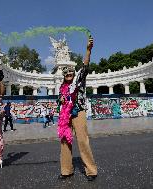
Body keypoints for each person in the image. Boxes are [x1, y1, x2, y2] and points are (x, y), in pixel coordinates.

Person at [57, 37, 97, 181]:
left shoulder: (79, 81)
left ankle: (91, 171)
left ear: (74, 74)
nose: (68, 75)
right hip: (65, 115)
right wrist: (60, 99)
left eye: (70, 74)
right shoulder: (62, 87)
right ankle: (66, 170)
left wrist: (88, 50)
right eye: (66, 74)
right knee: (65, 141)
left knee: (82, 140)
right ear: (63, 76)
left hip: (78, 111)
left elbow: (85, 66)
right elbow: (60, 99)